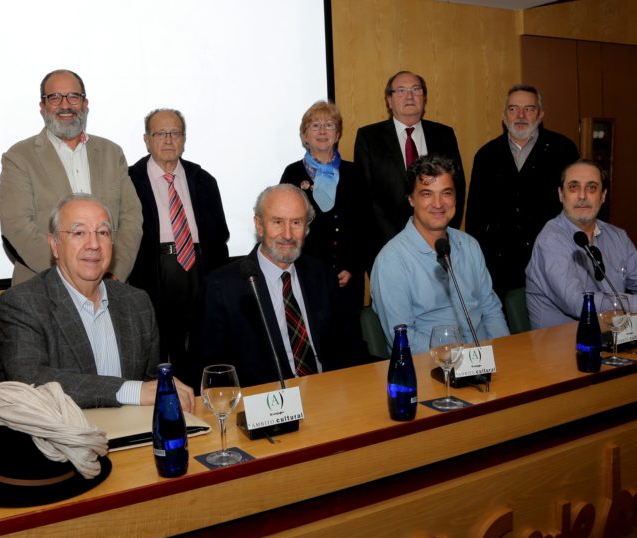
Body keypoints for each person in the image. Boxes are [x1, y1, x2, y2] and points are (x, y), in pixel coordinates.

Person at [0, 193, 195, 411]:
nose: (94, 244)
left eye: (102, 232)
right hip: (59, 439)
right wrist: (130, 390)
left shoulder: (137, 303)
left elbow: (152, 387)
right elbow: (30, 381)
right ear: (55, 245)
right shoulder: (23, 303)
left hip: (133, 435)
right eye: (79, 233)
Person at [189, 184, 371, 388]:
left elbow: (352, 348)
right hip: (265, 408)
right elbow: (208, 373)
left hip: (328, 396)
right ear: (259, 225)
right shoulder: (221, 288)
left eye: (296, 222)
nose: (287, 234)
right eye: (277, 222)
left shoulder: (323, 275)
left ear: (307, 227)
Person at [0, 69, 143, 285]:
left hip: (109, 286)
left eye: (74, 97)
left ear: (85, 105)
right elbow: (17, 226)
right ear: (42, 107)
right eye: (54, 97)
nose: (65, 105)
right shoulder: (19, 157)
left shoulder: (112, 153)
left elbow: (131, 219)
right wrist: (71, 277)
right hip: (44, 287)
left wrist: (114, 273)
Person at [128, 109, 229, 382]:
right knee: (158, 349)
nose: (169, 140)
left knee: (202, 343)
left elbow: (220, 237)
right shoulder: (128, 180)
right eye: (160, 133)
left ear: (184, 139)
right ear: (147, 140)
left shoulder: (203, 180)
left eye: (175, 133)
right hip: (152, 271)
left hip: (198, 268)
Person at [370, 154, 508, 355]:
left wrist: (505, 354)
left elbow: (491, 310)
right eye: (427, 194)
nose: (438, 203)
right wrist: (461, 360)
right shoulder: (391, 260)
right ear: (410, 199)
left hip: (486, 361)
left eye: (446, 193)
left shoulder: (469, 245)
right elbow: (403, 337)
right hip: (431, 369)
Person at [526, 160, 637, 328]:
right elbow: (579, 304)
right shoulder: (550, 241)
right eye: (574, 187)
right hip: (560, 347)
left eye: (591, 187)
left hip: (615, 338)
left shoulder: (617, 236)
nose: (582, 196)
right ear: (561, 194)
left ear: (603, 195)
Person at [465, 84, 579, 299]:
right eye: (513, 109)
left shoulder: (563, 149)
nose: (520, 115)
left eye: (529, 108)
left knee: (553, 328)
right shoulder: (486, 155)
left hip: (552, 260)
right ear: (504, 115)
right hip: (500, 269)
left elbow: (577, 206)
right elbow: (475, 217)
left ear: (541, 114)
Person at [354, 70, 466, 248]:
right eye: (401, 90)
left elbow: (457, 187)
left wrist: (442, 233)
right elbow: (365, 197)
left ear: (424, 98)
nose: (409, 96)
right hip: (387, 244)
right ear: (389, 100)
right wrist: (395, 243)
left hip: (438, 241)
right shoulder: (369, 137)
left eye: (416, 89)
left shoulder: (444, 134)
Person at [279, 100, 372, 310]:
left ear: (337, 134)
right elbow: (284, 227)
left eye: (329, 125)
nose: (322, 131)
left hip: (349, 277)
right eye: (315, 126)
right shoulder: (292, 173)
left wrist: (352, 267)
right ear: (304, 136)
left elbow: (365, 226)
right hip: (306, 276)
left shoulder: (354, 173)